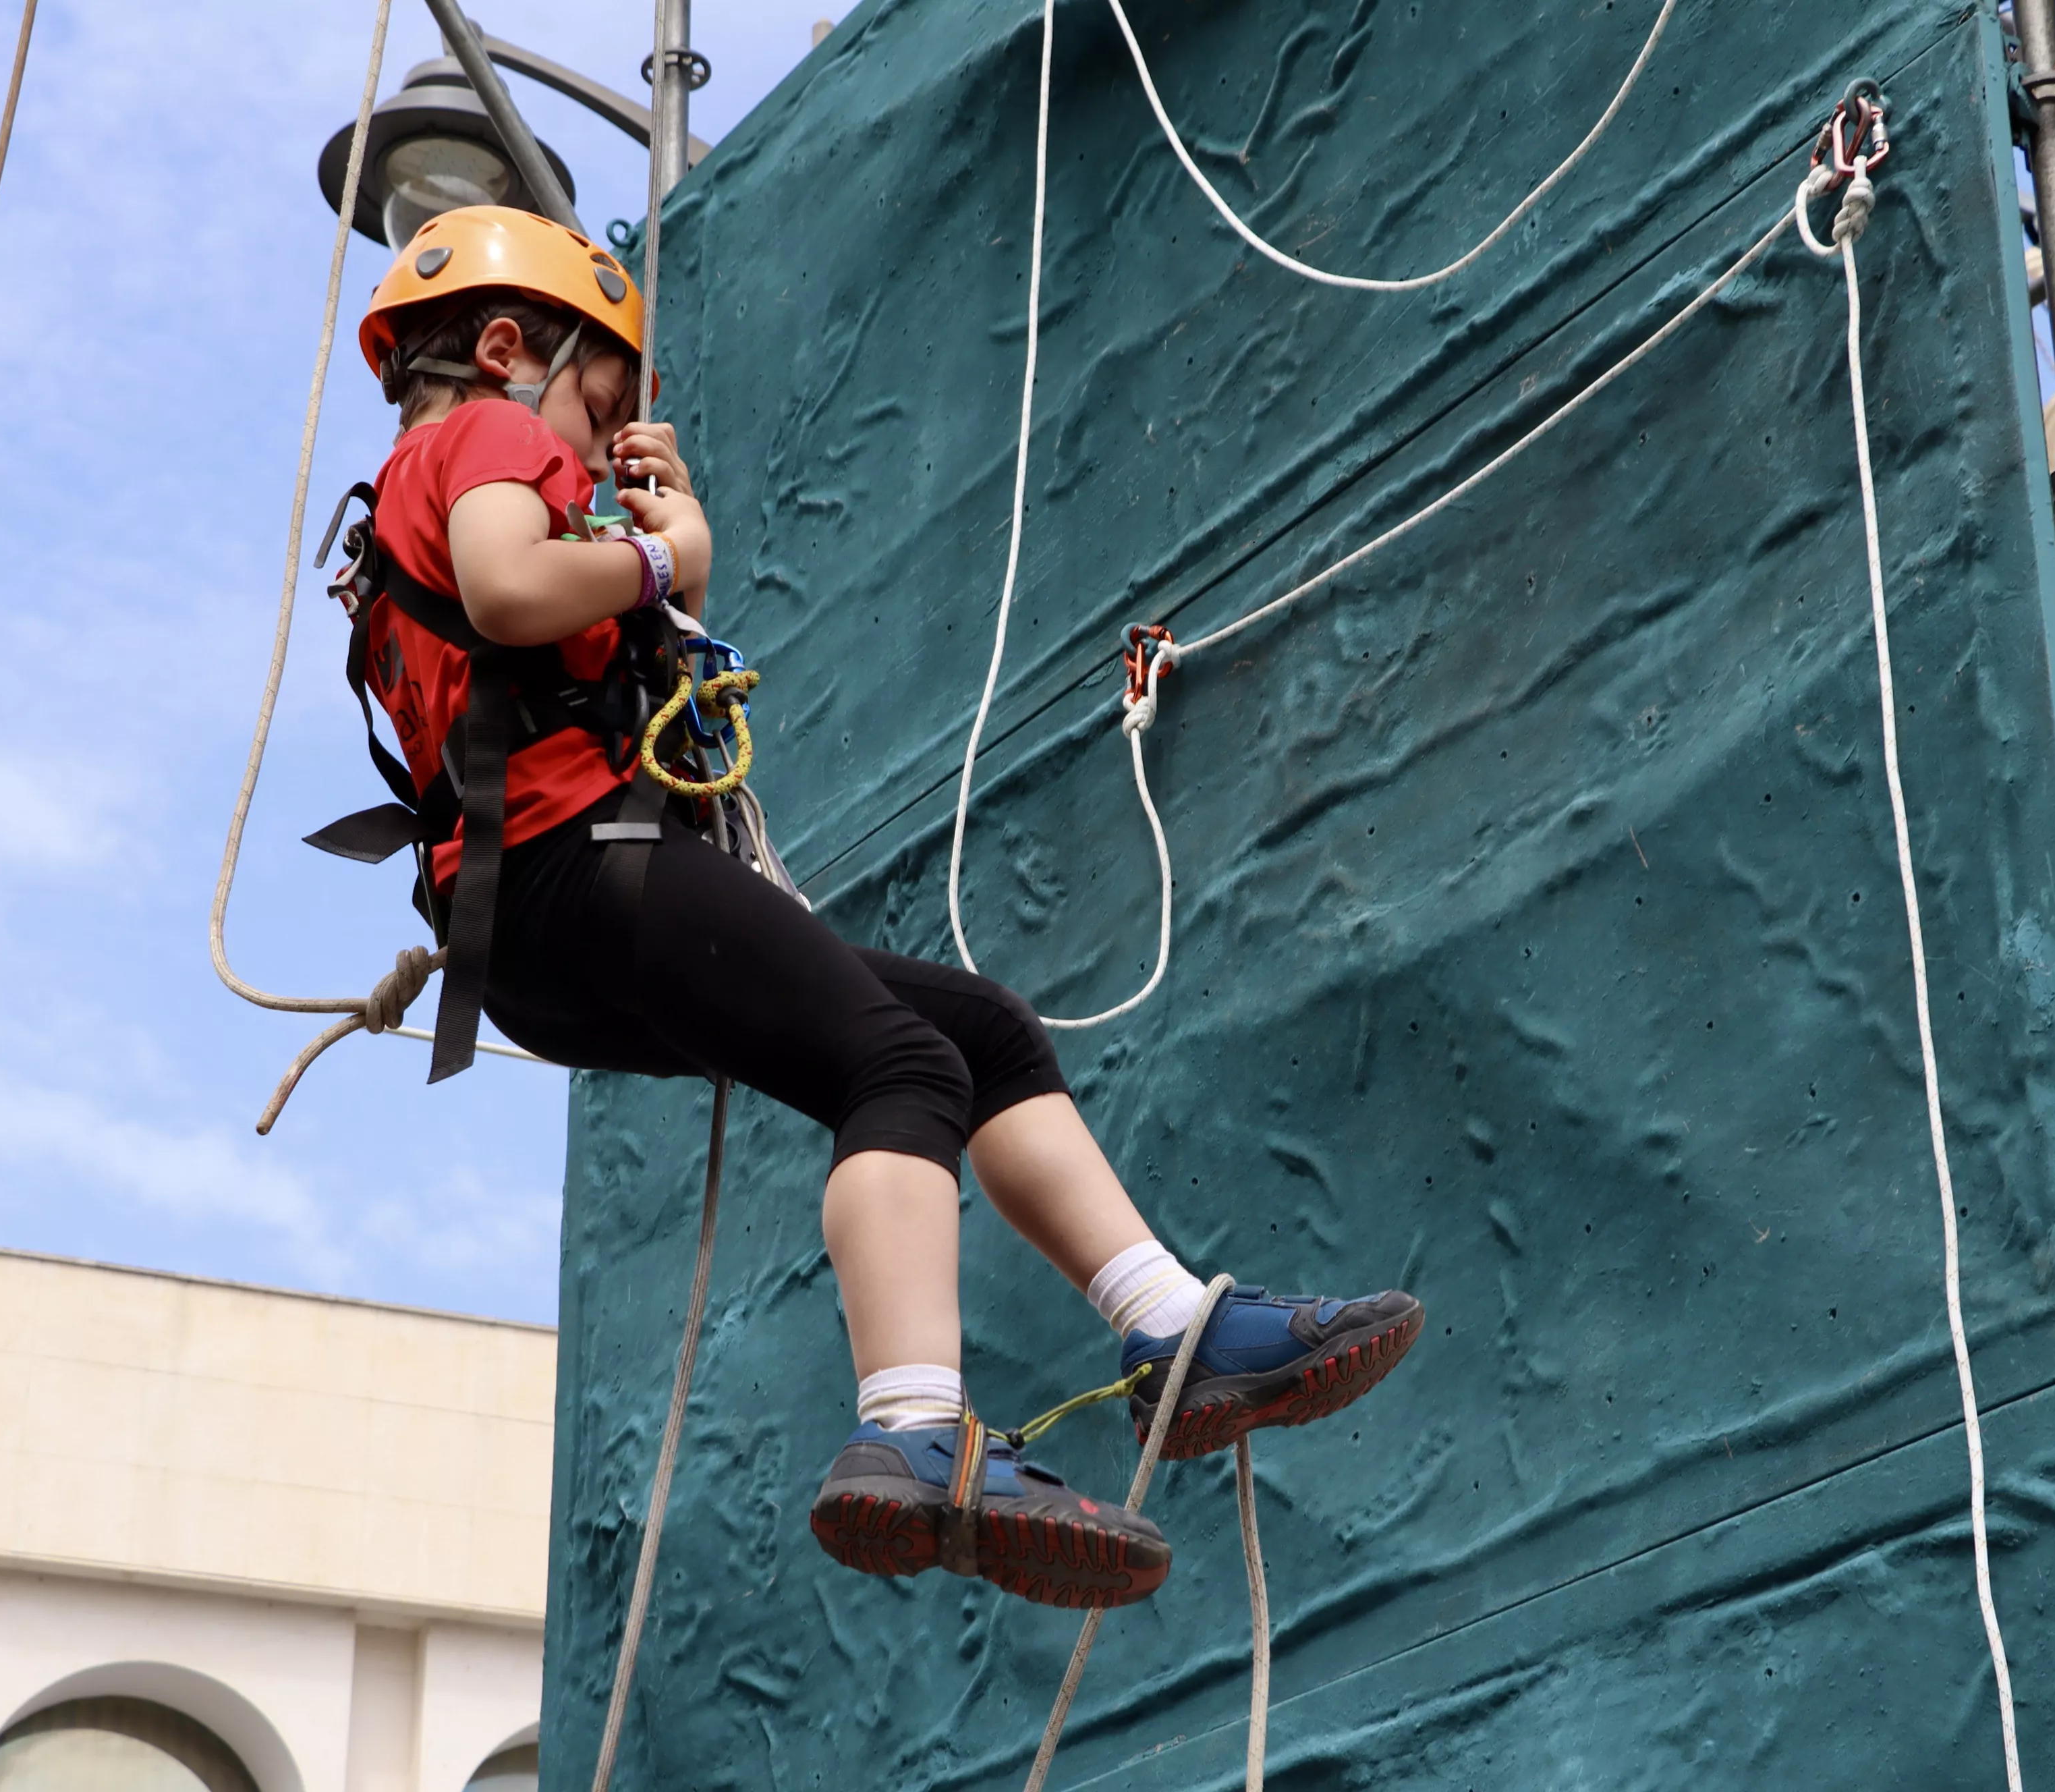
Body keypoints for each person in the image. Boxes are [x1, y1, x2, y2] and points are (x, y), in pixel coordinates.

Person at [331, 206, 1424, 1611]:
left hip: (538, 920)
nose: (605, 442)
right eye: (604, 393)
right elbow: (510, 581)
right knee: (898, 1064)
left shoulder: (403, 497)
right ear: (504, 347)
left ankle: (1172, 1325)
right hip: (578, 870)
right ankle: (911, 1427)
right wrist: (667, 556)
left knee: (979, 1029)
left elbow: (529, 640)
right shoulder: (490, 439)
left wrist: (660, 569)